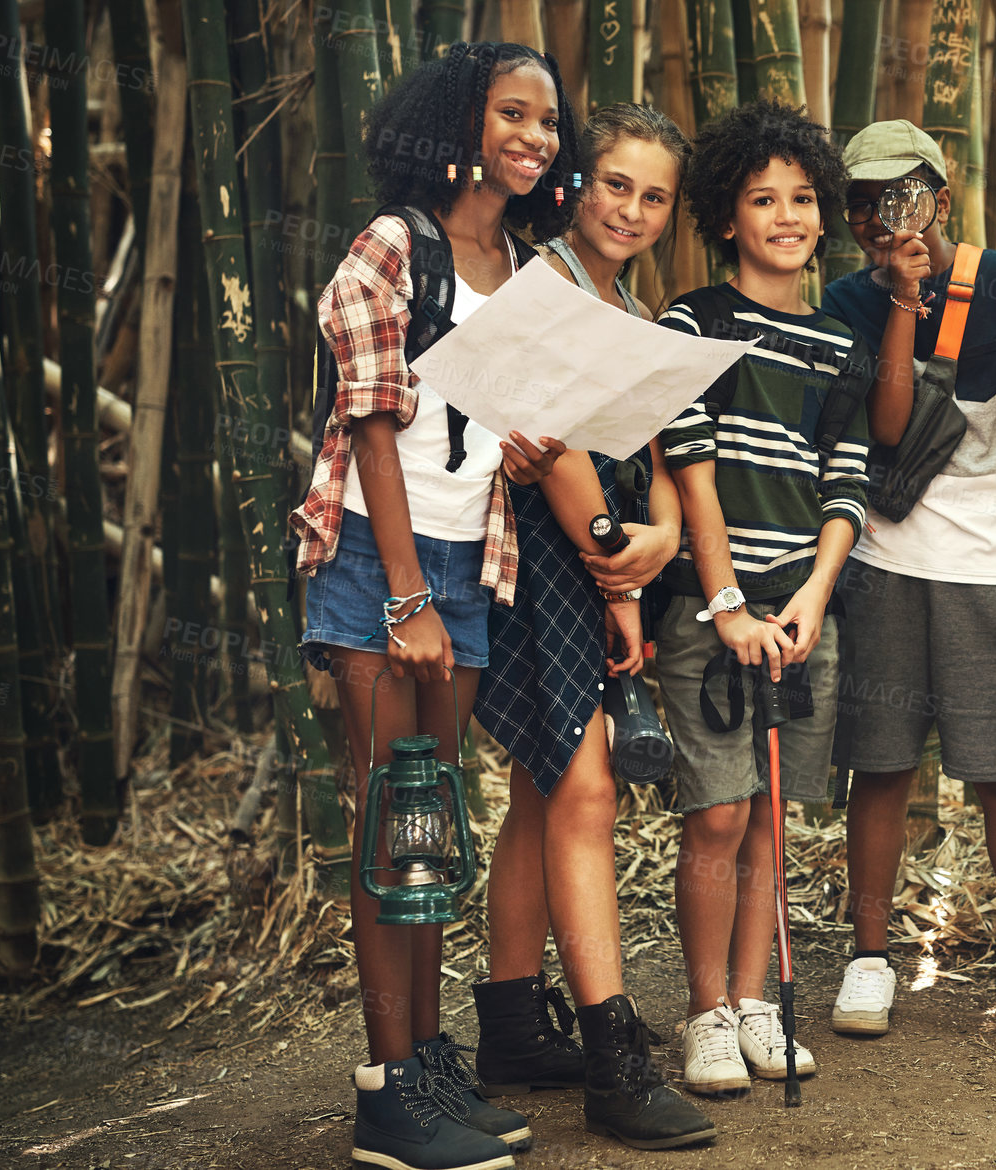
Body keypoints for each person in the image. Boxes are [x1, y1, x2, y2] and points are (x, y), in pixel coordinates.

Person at [290, 41, 580, 1170]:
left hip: (470, 562)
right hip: (380, 562)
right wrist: (406, 597)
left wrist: (524, 448)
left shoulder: (523, 264)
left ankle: (422, 1065)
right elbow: (371, 427)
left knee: (430, 829)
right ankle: (382, 1090)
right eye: (515, 114)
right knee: (385, 830)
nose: (536, 138)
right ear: (461, 123)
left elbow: (470, 435)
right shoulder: (394, 246)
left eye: (549, 123)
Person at [469, 102, 717, 1149]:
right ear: (575, 183)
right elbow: (558, 445)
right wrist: (625, 561)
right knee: (583, 785)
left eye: (653, 195)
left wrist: (658, 539)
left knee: (542, 782)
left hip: (594, 561)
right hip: (531, 554)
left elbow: (656, 454)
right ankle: (614, 1064)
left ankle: (515, 1023)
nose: (632, 207)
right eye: (616, 183)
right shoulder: (541, 284)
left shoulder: (640, 307)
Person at [818, 120, 996, 1045]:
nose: (883, 213)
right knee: (881, 766)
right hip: (884, 559)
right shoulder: (849, 298)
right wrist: (900, 297)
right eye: (863, 200)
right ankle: (869, 956)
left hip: (989, 564)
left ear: (940, 189)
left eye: (902, 193)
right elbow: (886, 429)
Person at [654, 99, 869, 1096]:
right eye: (759, 199)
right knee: (717, 815)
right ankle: (702, 1014)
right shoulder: (692, 322)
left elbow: (845, 483)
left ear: (822, 211)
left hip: (799, 607)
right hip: (714, 607)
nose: (785, 216)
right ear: (725, 216)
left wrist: (814, 596)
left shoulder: (836, 345)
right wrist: (727, 601)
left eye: (799, 198)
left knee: (776, 818)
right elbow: (690, 468)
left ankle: (752, 1002)